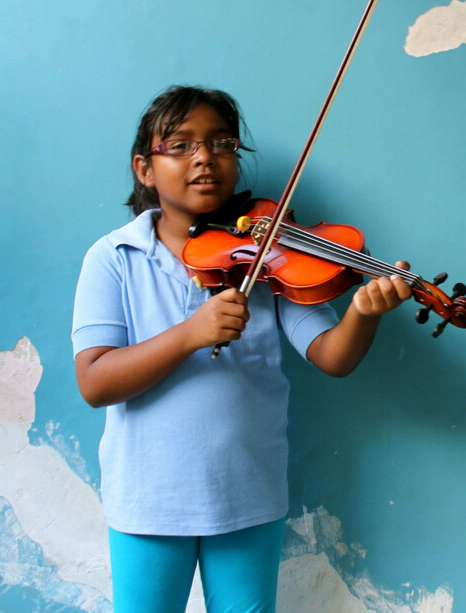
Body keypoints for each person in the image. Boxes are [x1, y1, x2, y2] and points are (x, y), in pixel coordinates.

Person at [72, 85, 412, 612]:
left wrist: (363, 313)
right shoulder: (113, 257)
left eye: (221, 143)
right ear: (144, 169)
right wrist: (191, 332)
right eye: (180, 145)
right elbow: (95, 382)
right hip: (148, 501)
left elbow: (332, 356)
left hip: (247, 496)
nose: (204, 156)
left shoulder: (270, 254)